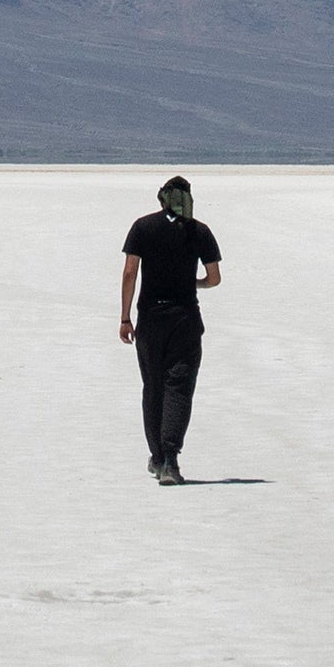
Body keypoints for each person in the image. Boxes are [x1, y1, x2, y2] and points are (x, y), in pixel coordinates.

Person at [118, 174, 223, 483]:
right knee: (178, 387)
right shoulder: (199, 231)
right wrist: (195, 283)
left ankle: (159, 456)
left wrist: (125, 317)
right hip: (186, 319)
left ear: (163, 197)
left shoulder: (143, 227)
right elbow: (214, 277)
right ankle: (171, 461)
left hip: (150, 319)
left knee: (153, 387)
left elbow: (129, 273)